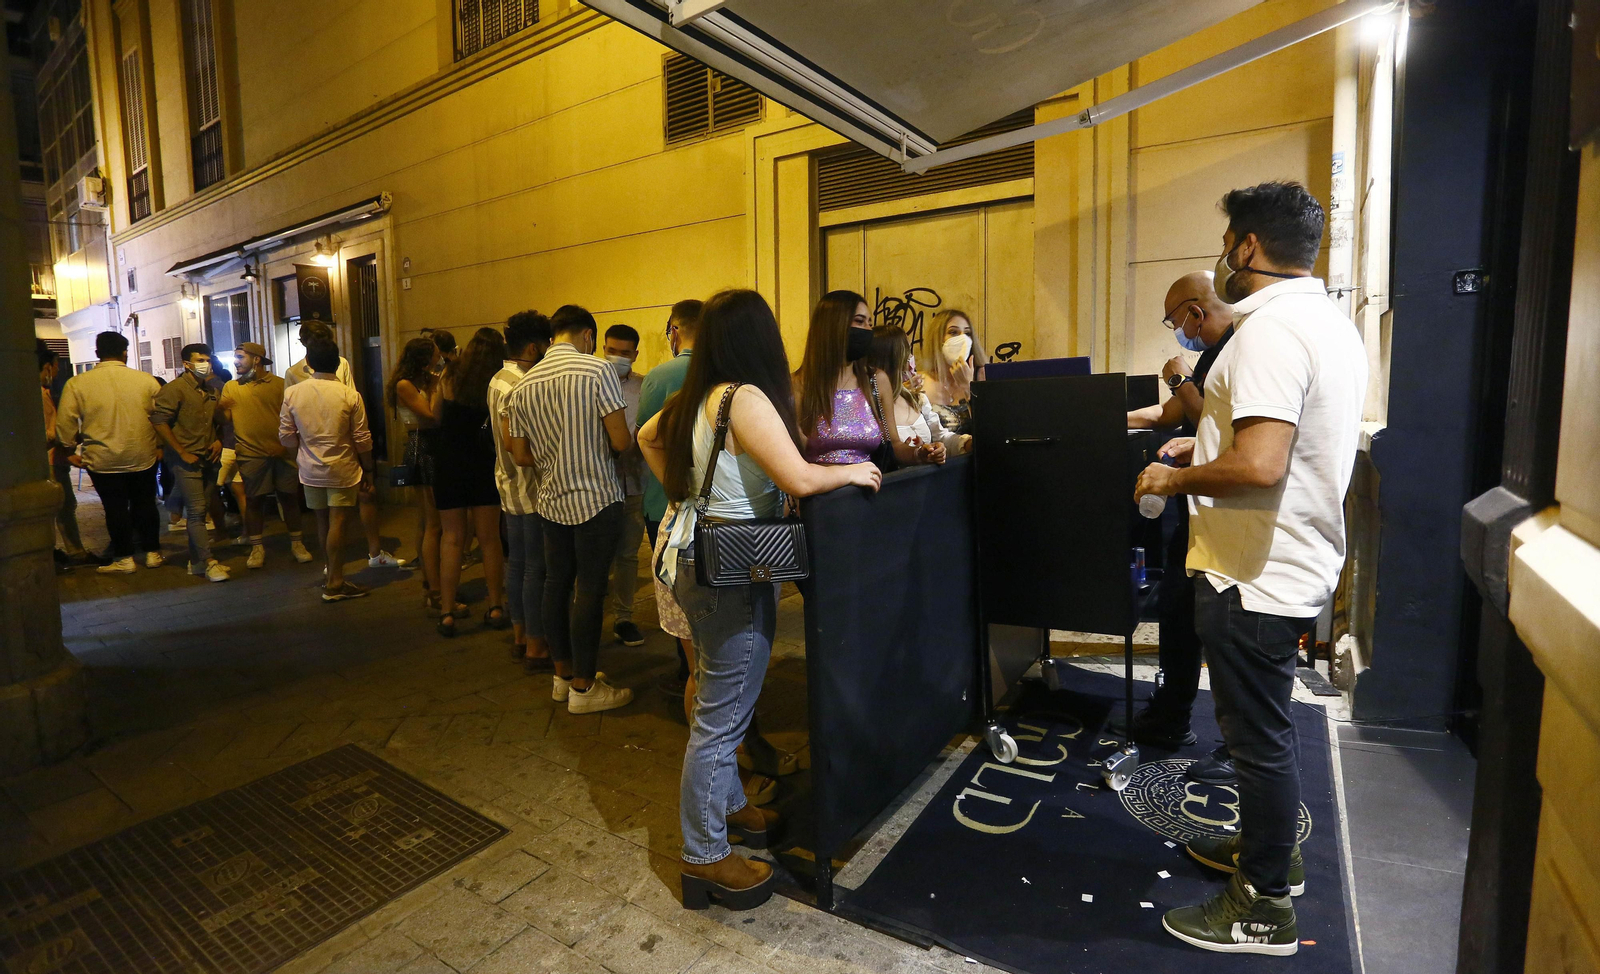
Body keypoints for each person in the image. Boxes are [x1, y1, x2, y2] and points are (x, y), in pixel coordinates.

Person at [1135, 182, 1367, 955]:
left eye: (1227, 243)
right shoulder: (1327, 323)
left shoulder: (1268, 332)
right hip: (1291, 563)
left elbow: (1261, 463)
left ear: (1246, 247)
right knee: (1265, 730)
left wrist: (1172, 477)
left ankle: (1262, 906)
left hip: (1251, 575)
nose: (1223, 259)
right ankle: (1272, 854)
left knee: (1255, 741)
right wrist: (1200, 445)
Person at [638, 288, 882, 911]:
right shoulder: (743, 397)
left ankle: (731, 808)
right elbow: (799, 476)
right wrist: (852, 471)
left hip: (693, 556)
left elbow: (646, 438)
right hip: (732, 569)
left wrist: (688, 497)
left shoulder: (699, 394)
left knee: (718, 697)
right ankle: (705, 856)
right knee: (722, 718)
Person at [1117, 272, 1239, 786]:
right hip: (1193, 507)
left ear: (1195, 311)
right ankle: (1172, 714)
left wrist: (1178, 380)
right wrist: (1109, 417)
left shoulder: (1240, 349)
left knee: (1220, 625)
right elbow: (1168, 416)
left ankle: (1240, 749)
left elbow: (1215, 424)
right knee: (1177, 610)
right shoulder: (1210, 356)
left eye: (1175, 320)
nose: (1177, 332)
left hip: (1224, 508)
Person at [505, 305, 634, 714]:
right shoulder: (597, 371)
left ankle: (562, 678)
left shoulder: (524, 384)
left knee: (556, 585)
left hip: (550, 501)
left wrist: (554, 459)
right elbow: (620, 441)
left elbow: (520, 455)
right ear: (588, 336)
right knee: (590, 591)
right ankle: (584, 686)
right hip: (597, 499)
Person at [285, 321, 407, 569]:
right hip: (331, 454)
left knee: (350, 505)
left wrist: (298, 454)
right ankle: (333, 572)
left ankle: (368, 556)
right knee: (335, 519)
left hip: (337, 450)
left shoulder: (340, 364)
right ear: (304, 342)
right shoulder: (293, 373)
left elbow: (287, 431)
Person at [55, 331, 164, 574]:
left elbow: (66, 420)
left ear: (97, 353)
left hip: (102, 459)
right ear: (125, 353)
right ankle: (152, 553)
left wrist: (68, 449)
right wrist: (160, 446)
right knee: (145, 504)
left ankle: (124, 557)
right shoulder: (146, 381)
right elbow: (161, 417)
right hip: (142, 454)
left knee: (115, 509)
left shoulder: (77, 383)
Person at [279, 339, 376, 602]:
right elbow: (362, 438)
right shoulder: (349, 395)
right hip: (343, 467)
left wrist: (298, 458)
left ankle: (330, 574)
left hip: (310, 469)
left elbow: (286, 435)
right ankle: (335, 582)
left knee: (322, 521)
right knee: (339, 522)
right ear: (338, 363)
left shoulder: (293, 393)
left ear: (309, 363)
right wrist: (368, 469)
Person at [428, 327, 510, 637]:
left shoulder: (450, 375)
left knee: (451, 538)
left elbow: (436, 415)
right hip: (484, 464)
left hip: (449, 463)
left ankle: (447, 611)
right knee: (489, 539)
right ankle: (495, 605)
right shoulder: (497, 380)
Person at [638, 300, 702, 692]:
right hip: (720, 510)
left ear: (674, 331)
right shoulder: (732, 378)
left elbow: (645, 435)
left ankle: (688, 669)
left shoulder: (661, 376)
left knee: (679, 598)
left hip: (668, 503)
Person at [795, 290, 933, 468]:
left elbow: (894, 446)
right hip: (820, 484)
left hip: (870, 483)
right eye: (860, 321)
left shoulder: (875, 380)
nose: (868, 330)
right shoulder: (798, 385)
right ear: (833, 326)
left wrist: (919, 453)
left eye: (870, 323)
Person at [490, 312, 552, 668]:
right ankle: (535, 644)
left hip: (508, 485)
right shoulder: (520, 385)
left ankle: (519, 635)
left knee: (517, 565)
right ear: (533, 347)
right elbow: (515, 446)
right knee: (534, 569)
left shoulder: (498, 378)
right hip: (529, 488)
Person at [224, 343, 312, 568]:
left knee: (289, 498)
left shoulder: (280, 385)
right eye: (236, 357)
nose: (236, 362)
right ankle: (256, 547)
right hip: (250, 455)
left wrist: (287, 446)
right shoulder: (231, 387)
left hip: (282, 453)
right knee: (254, 500)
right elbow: (224, 418)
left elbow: (296, 418)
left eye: (240, 357)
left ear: (256, 360)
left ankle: (297, 544)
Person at [149, 343, 230, 583]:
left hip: (208, 458)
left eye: (208, 359)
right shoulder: (175, 389)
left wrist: (218, 440)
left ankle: (196, 562)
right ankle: (208, 561)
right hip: (187, 461)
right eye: (200, 360)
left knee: (201, 511)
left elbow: (216, 421)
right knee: (196, 512)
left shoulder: (210, 390)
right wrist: (181, 451)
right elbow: (159, 421)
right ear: (187, 364)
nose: (206, 364)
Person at [389, 337, 449, 614]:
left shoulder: (420, 381)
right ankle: (435, 590)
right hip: (422, 446)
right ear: (423, 359)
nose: (439, 359)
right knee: (432, 524)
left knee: (427, 522)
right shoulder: (404, 384)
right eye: (435, 355)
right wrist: (436, 386)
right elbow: (430, 416)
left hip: (430, 445)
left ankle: (430, 583)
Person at [601, 323, 649, 647]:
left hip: (634, 481)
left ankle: (623, 617)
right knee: (595, 555)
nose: (617, 357)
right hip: (599, 485)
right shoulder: (590, 383)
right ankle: (590, 614)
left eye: (624, 353)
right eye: (611, 351)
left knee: (628, 555)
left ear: (635, 354)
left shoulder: (644, 386)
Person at [867, 326, 965, 458]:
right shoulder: (870, 407)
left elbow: (941, 437)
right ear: (894, 359)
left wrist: (965, 443)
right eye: (908, 351)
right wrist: (914, 454)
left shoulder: (916, 398)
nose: (912, 358)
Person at [919, 308, 988, 434]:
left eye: (967, 333)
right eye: (953, 332)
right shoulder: (920, 383)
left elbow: (990, 428)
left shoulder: (982, 377)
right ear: (938, 339)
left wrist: (968, 387)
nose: (963, 339)